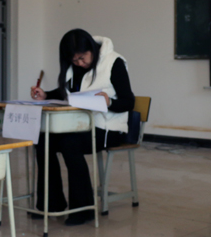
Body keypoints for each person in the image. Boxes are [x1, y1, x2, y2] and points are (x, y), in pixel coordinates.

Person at [30, 29, 135, 225]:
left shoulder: (114, 62)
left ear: (91, 49)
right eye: (74, 60)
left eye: (82, 58)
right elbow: (67, 93)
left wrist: (109, 102)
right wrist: (46, 95)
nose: (79, 63)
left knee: (70, 144)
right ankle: (51, 204)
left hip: (108, 128)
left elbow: (129, 102)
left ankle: (83, 209)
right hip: (81, 125)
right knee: (43, 140)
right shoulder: (75, 67)